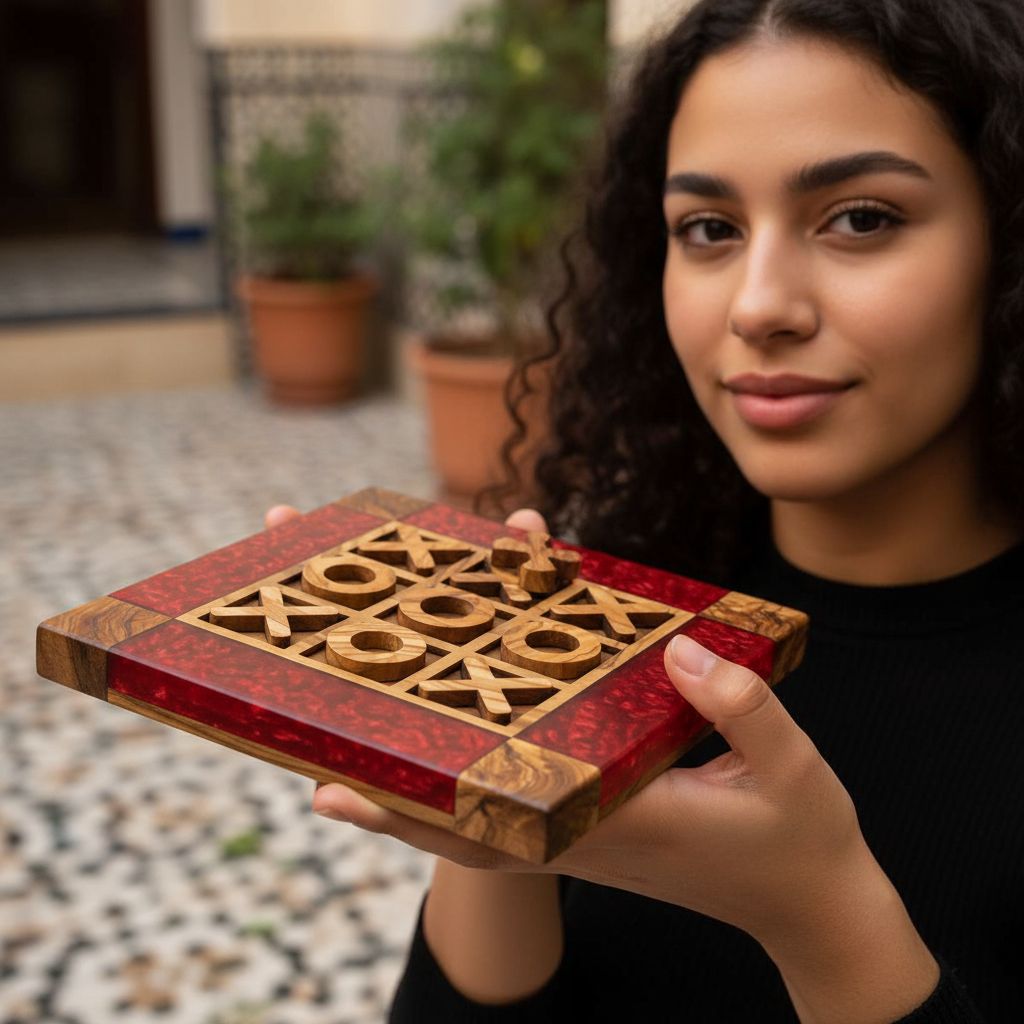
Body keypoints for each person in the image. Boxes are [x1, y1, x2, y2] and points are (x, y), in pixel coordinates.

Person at [269, 0, 1024, 1018]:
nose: (757, 305)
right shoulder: (620, 608)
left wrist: (817, 914)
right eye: (707, 229)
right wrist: (493, 799)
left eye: (861, 218)